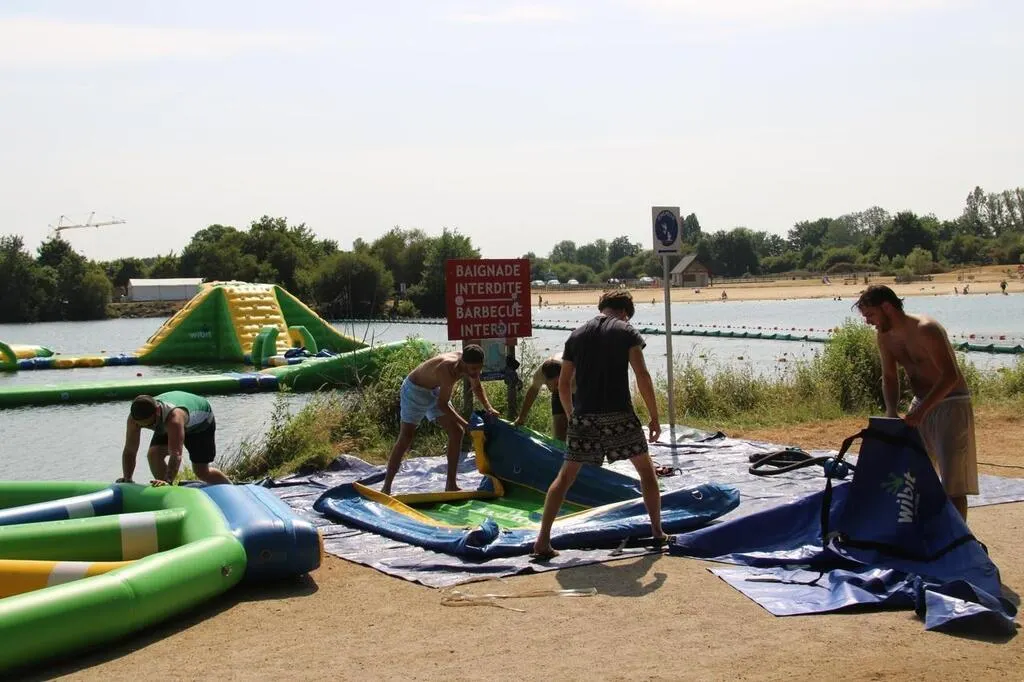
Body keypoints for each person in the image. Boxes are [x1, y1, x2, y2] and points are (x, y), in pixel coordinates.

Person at [531, 290, 668, 559]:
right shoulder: (626, 332)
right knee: (646, 471)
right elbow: (642, 375)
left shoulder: (576, 335)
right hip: (619, 415)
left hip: (584, 416)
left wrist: (572, 417)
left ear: (602, 307)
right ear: (625, 312)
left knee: (565, 477)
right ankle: (657, 532)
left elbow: (564, 385)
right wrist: (654, 416)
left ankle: (542, 541)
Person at [854, 285, 977, 520]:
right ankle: (927, 531)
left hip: (952, 403)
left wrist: (922, 411)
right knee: (915, 474)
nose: (868, 322)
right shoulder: (884, 336)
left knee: (954, 483)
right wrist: (891, 412)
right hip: (920, 403)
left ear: (887, 307)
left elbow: (950, 376)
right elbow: (889, 376)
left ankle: (960, 538)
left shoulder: (926, 329)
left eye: (870, 315)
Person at [382, 345, 499, 495]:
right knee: (406, 437)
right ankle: (386, 487)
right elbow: (442, 405)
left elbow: (476, 387)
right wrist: (466, 424)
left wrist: (489, 408)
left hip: (434, 390)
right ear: (463, 363)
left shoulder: (470, 363)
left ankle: (451, 484)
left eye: (479, 368)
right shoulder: (447, 369)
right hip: (415, 391)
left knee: (457, 432)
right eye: (473, 369)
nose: (476, 372)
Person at [119, 391, 232, 486]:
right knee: (154, 454)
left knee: (202, 471)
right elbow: (130, 450)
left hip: (201, 423)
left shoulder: (174, 419)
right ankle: (167, 490)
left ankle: (231, 488)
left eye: (149, 424)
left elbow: (176, 454)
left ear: (157, 411)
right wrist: (127, 478)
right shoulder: (134, 420)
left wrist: (167, 480)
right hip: (165, 423)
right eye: (140, 425)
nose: (147, 427)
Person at [512, 356, 574, 441]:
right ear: (545, 381)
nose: (558, 386)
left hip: (579, 390)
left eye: (559, 383)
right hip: (560, 393)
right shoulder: (540, 374)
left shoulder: (575, 372)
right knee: (559, 429)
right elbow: (533, 392)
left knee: (579, 425)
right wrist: (521, 417)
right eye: (555, 384)